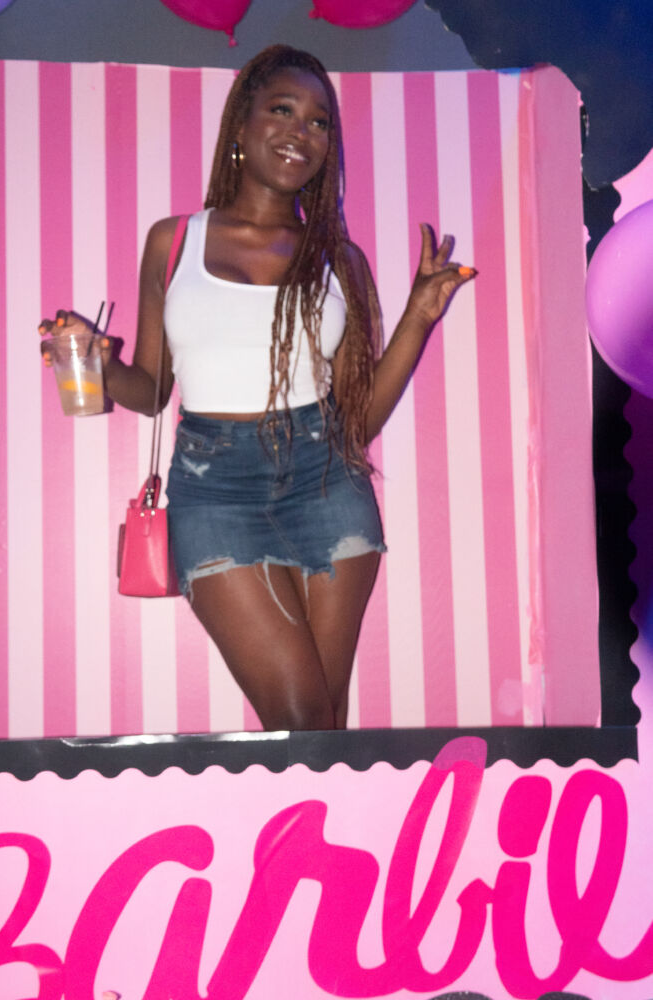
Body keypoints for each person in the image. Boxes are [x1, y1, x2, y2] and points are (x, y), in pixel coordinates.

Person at [40, 45, 475, 733]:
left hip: (327, 481)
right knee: (304, 716)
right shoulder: (174, 242)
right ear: (241, 125)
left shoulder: (340, 258)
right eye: (282, 110)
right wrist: (98, 360)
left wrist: (420, 314)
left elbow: (358, 423)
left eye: (319, 122)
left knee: (321, 726)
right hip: (215, 490)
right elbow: (151, 391)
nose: (302, 131)